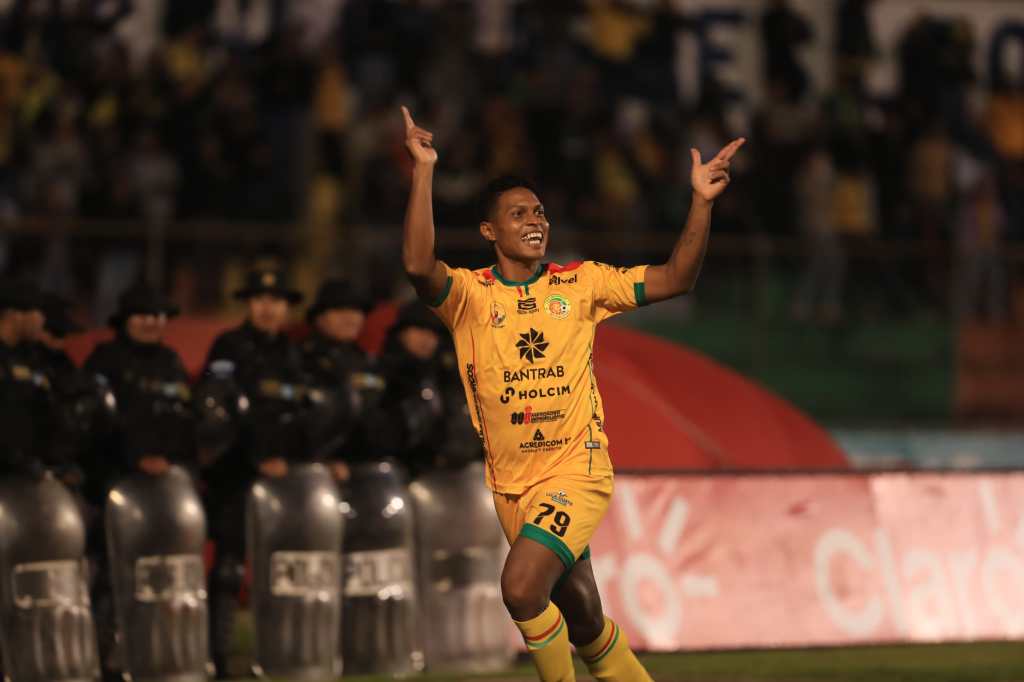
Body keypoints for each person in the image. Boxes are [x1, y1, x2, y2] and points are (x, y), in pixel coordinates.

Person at [399, 105, 743, 681]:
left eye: (538, 211)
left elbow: (676, 277)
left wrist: (701, 204)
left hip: (576, 471)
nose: (535, 220)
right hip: (511, 484)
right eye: (517, 214)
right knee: (581, 615)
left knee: (520, 587)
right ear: (489, 232)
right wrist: (424, 170)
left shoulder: (582, 284)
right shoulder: (469, 298)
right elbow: (417, 263)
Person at [200, 266, 311, 679]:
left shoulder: (292, 351)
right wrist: (255, 457)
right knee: (229, 568)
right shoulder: (227, 347)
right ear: (248, 303)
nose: (269, 308)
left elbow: (300, 415)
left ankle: (281, 653)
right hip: (236, 474)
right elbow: (214, 413)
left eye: (277, 301)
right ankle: (219, 657)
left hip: (285, 481)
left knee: (283, 570)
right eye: (262, 300)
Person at [82, 282, 196, 681]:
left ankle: (152, 656)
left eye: (158, 316)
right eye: (143, 316)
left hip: (162, 495)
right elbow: (94, 425)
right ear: (124, 321)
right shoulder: (104, 361)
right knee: (109, 578)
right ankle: (100, 660)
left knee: (158, 578)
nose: (151, 323)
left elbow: (185, 421)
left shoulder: (171, 362)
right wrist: (133, 459)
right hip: (111, 487)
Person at [300, 277, 383, 478]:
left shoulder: (369, 363)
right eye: (340, 311)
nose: (351, 318)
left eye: (356, 311)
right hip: (312, 475)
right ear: (319, 318)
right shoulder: (300, 360)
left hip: (364, 476)